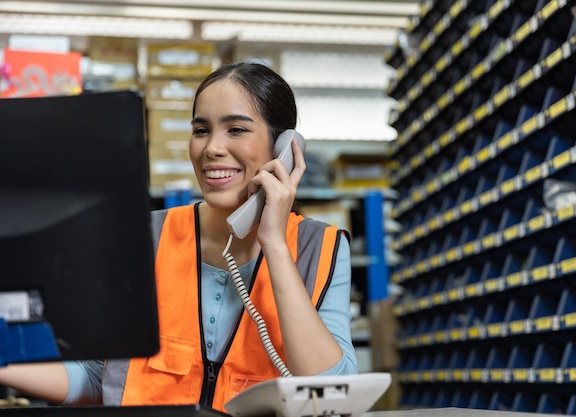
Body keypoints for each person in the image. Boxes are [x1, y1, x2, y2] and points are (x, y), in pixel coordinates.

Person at [0, 61, 358, 412]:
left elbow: (330, 388)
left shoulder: (320, 249)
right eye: (201, 130)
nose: (212, 148)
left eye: (236, 129)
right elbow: (101, 380)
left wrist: (275, 245)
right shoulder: (144, 237)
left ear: (283, 148)